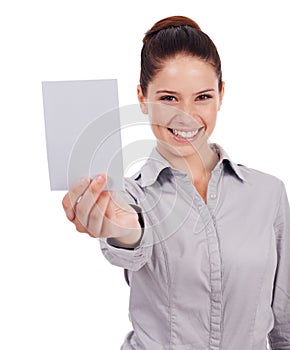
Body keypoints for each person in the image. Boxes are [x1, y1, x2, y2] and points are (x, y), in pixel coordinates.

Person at [62, 16, 290, 350]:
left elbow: (284, 318)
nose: (186, 115)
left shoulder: (267, 194)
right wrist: (122, 227)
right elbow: (131, 236)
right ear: (142, 98)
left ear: (221, 94)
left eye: (202, 97)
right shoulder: (129, 196)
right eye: (169, 98)